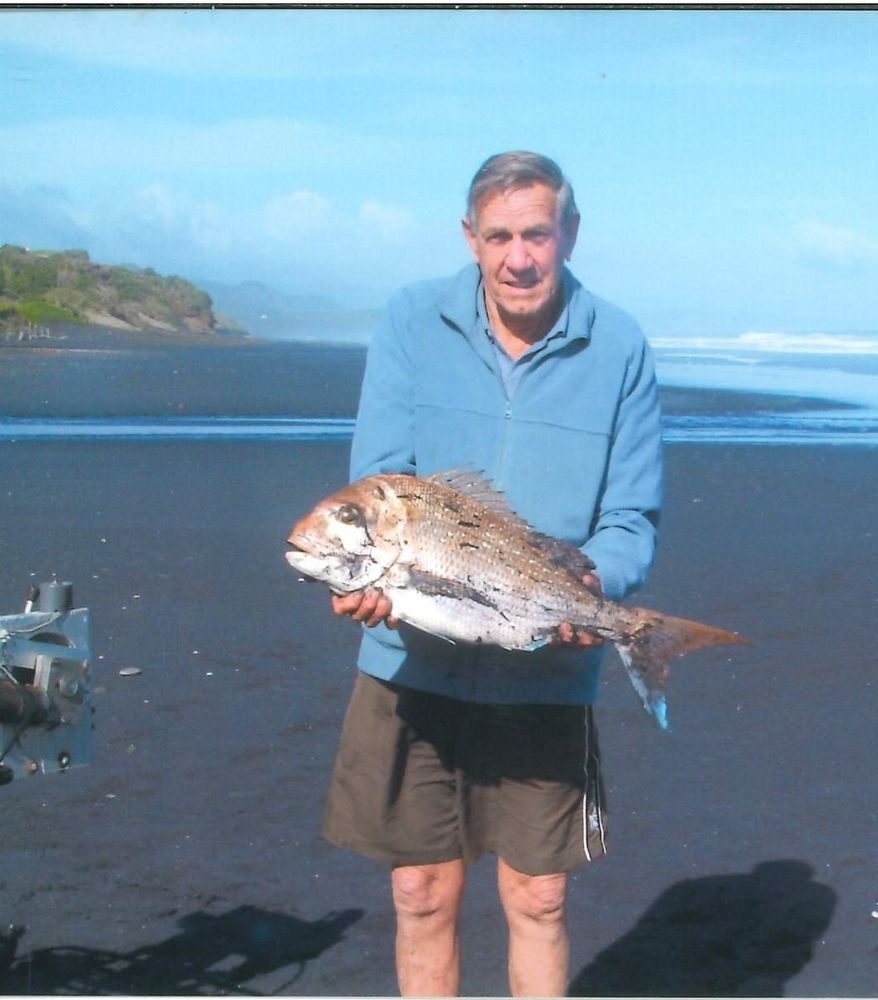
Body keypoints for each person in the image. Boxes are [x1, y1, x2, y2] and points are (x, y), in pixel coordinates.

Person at [326, 151, 664, 997]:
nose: (520, 258)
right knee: (419, 891)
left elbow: (631, 518)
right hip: (411, 663)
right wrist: (373, 584)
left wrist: (595, 586)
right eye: (500, 236)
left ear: (570, 234)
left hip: (547, 665)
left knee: (540, 898)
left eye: (537, 235)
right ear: (470, 238)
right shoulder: (412, 321)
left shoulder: (620, 346)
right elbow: (381, 485)